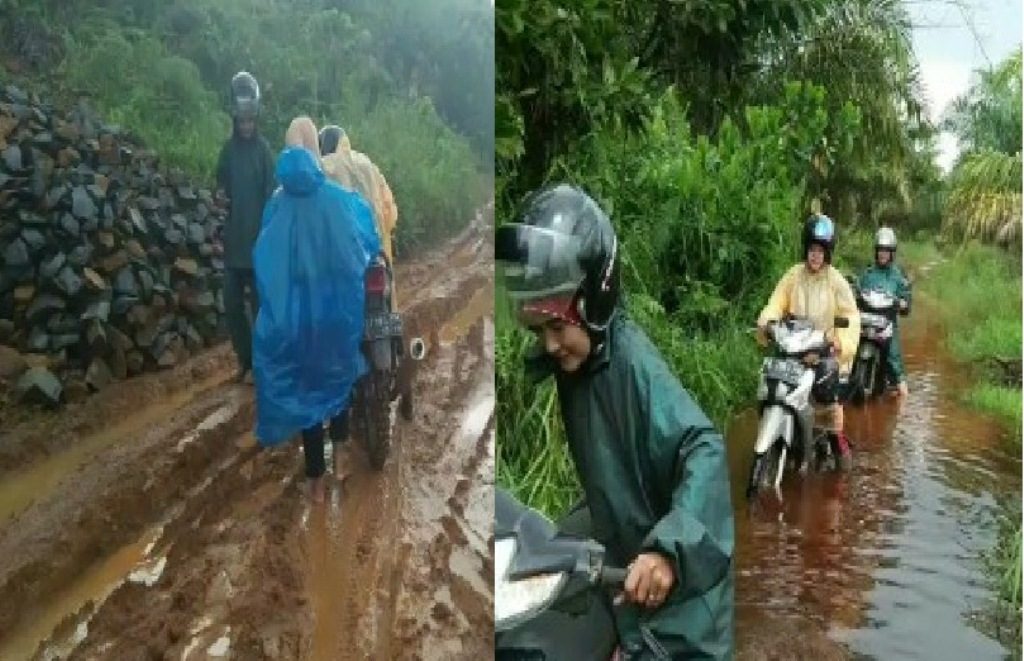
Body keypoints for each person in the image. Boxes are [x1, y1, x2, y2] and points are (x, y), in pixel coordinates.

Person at [496, 184, 735, 660]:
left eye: (556, 327)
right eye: (537, 330)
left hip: (680, 607)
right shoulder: (582, 360)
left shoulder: (631, 368)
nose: (548, 345)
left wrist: (669, 552)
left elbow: (704, 446)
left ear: (594, 302)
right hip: (621, 546)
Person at [252, 116, 380, 503]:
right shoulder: (339, 199)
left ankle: (315, 482)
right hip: (335, 314)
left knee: (306, 392)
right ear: (314, 153)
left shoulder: (276, 204)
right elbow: (367, 238)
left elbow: (264, 261)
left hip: (296, 319)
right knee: (338, 381)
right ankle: (340, 457)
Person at [756, 213, 860, 471]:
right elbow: (776, 302)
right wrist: (768, 323)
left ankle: (840, 451)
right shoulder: (793, 276)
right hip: (793, 349)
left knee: (831, 412)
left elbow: (850, 316)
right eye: (812, 249)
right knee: (771, 387)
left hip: (824, 353)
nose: (815, 255)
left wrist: (840, 343)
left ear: (828, 253)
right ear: (806, 250)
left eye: (820, 250)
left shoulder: (837, 282)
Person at [215, 71, 277, 383]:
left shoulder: (264, 152)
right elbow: (221, 188)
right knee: (232, 304)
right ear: (235, 119)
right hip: (234, 245)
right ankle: (247, 360)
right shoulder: (228, 152)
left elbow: (273, 198)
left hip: (259, 246)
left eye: (251, 121)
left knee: (262, 307)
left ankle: (264, 363)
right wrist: (220, 202)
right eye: (242, 121)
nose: (247, 126)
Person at [318, 125, 398, 269]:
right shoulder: (365, 163)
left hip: (335, 251)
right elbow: (388, 207)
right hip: (372, 248)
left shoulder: (319, 168)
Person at [857, 227, 911, 397]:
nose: (883, 254)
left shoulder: (897, 276)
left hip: (887, 325)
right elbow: (856, 290)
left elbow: (906, 298)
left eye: (886, 251)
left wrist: (903, 302)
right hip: (865, 322)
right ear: (876, 251)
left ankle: (904, 400)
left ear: (892, 253)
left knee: (894, 361)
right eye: (880, 250)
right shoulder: (867, 273)